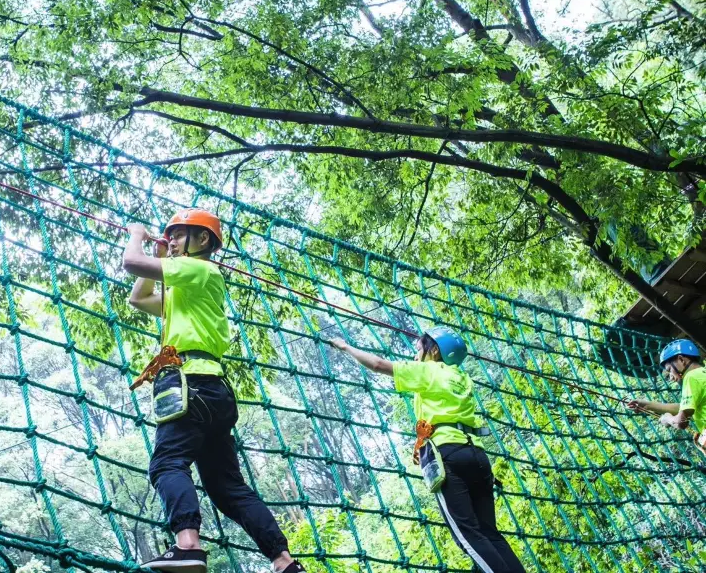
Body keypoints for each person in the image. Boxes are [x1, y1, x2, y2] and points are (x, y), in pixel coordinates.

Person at [122, 208, 304, 573]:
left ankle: (187, 544)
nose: (170, 240)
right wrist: (160, 255)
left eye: (178, 234)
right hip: (215, 390)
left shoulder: (199, 268)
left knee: (167, 464)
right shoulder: (191, 286)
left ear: (203, 240)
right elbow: (138, 300)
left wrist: (137, 234)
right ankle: (284, 562)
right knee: (227, 489)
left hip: (191, 383)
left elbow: (131, 263)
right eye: (168, 235)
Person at [330, 328, 526, 573]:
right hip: (477, 456)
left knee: (469, 536)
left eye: (420, 349)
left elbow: (379, 364)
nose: (416, 354)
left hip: (448, 456)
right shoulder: (462, 377)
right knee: (490, 534)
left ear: (434, 351)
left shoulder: (428, 370)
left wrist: (345, 347)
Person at [627, 340, 704, 433]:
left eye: (669, 369)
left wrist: (668, 419)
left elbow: (681, 422)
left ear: (681, 360)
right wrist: (648, 405)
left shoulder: (691, 377)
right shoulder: (701, 373)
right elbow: (684, 407)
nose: (671, 377)